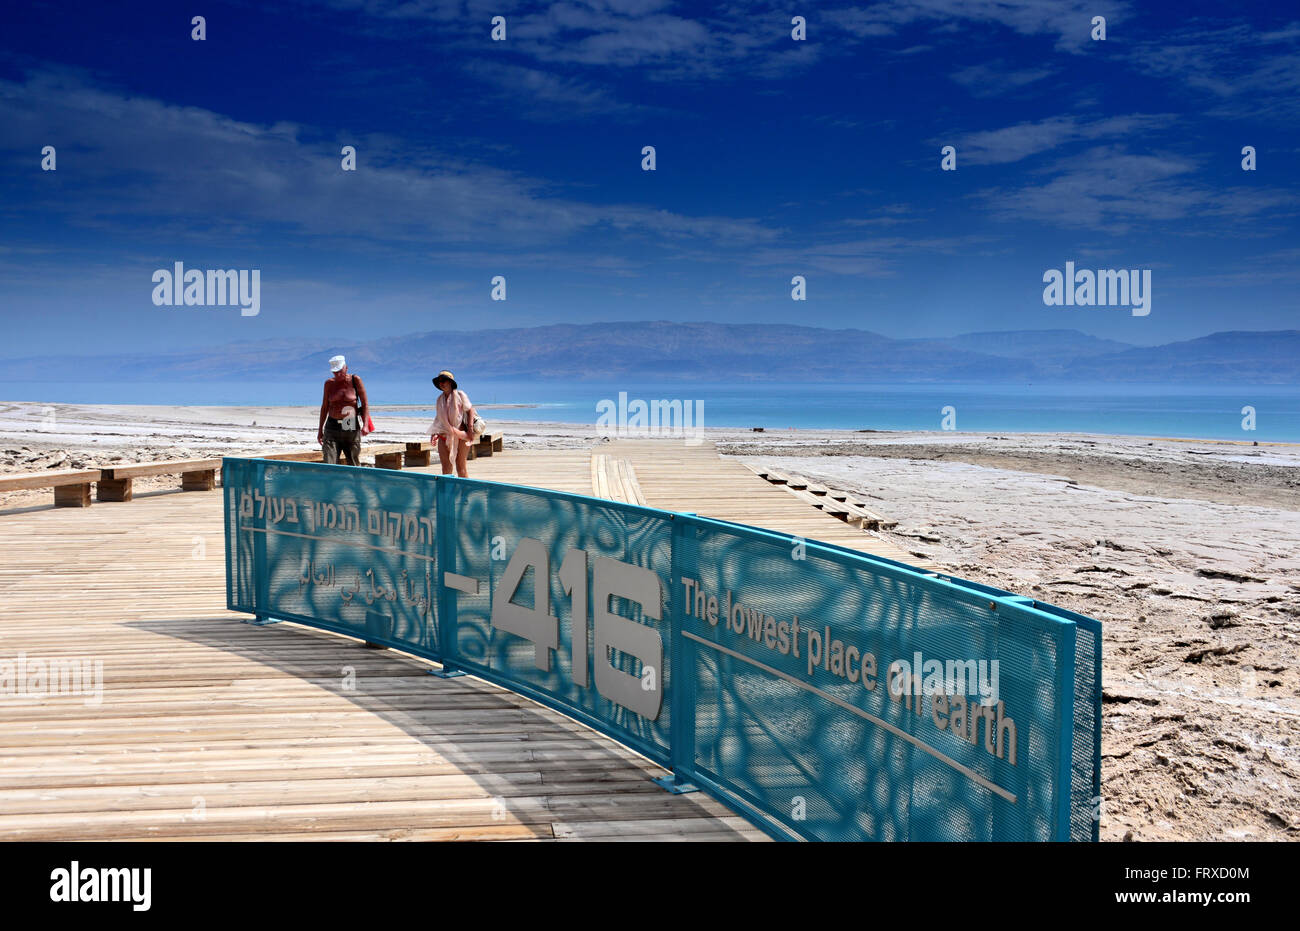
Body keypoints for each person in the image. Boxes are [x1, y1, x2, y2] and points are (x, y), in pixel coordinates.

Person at [318, 355, 369, 465]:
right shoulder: (329, 384)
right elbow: (324, 407)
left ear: (346, 367)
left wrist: (365, 425)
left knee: (353, 461)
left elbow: (365, 404)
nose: (337, 374)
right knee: (329, 461)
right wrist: (320, 430)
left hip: (349, 423)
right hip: (332, 425)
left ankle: (356, 482)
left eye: (339, 371)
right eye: (335, 372)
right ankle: (331, 482)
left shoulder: (355, 380)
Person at [430, 370, 476, 477]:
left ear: (450, 382)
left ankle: (464, 493)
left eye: (444, 380)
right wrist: (434, 433)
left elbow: (470, 410)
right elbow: (439, 418)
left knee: (461, 468)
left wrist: (470, 428)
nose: (441, 383)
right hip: (443, 436)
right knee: (446, 469)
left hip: (461, 436)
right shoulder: (439, 399)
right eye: (439, 381)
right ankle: (447, 493)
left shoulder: (460, 395)